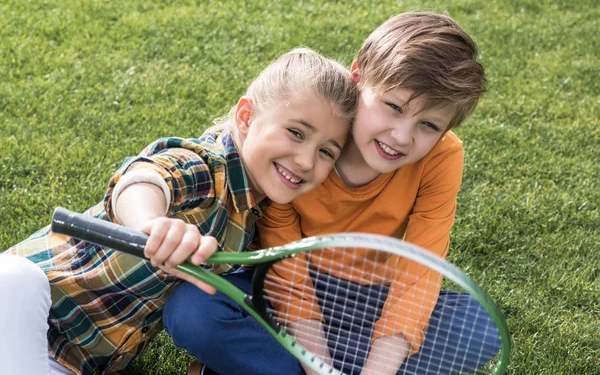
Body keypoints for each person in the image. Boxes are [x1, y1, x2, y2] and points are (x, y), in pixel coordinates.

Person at [164, 12, 502, 375]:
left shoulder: (443, 156)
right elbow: (286, 270)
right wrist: (316, 366)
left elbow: (418, 272)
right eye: (393, 107)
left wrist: (378, 370)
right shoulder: (308, 146)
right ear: (358, 79)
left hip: (369, 298)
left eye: (428, 125)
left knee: (479, 325)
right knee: (193, 310)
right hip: (283, 285)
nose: (402, 137)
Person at [0, 48, 358, 375]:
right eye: (296, 132)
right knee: (18, 278)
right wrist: (152, 224)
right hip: (23, 308)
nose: (306, 160)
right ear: (246, 117)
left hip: (67, 361)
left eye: (327, 151)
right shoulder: (208, 166)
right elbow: (144, 178)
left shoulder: (259, 220)